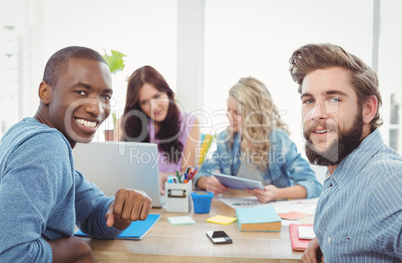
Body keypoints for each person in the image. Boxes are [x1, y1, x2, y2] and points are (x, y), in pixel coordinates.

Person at [0, 46, 152, 262]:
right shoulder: (47, 145)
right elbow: (10, 254)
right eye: (81, 92)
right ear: (45, 92)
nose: (97, 108)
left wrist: (117, 213)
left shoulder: (27, 131)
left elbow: (91, 214)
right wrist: (78, 250)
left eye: (105, 97)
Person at [289, 43, 402, 262]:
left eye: (334, 99)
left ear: (367, 109)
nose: (316, 114)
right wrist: (327, 238)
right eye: (309, 100)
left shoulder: (387, 179)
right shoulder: (341, 171)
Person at [194, 77, 322, 203]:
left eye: (237, 113)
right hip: (234, 210)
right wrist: (208, 182)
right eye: (228, 109)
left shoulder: (278, 140)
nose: (228, 116)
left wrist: (277, 194)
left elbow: (313, 185)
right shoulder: (226, 139)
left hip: (274, 212)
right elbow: (200, 175)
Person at [115, 65, 199, 193]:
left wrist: (162, 177)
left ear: (168, 93)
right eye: (144, 102)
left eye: (157, 96)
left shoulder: (190, 123)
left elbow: (188, 175)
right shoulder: (126, 122)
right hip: (137, 197)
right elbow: (121, 171)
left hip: (173, 198)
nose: (154, 107)